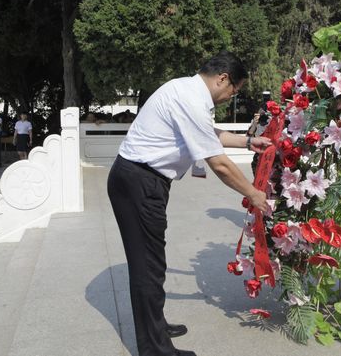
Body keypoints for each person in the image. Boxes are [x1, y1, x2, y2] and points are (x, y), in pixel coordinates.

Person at [107, 50, 271, 356]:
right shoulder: (191, 99)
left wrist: (248, 141)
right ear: (223, 79)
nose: (231, 97)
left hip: (141, 181)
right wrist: (253, 193)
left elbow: (208, 133)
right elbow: (219, 165)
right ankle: (155, 349)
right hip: (138, 183)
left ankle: (155, 326)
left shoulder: (186, 89)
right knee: (147, 267)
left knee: (153, 263)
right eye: (234, 90)